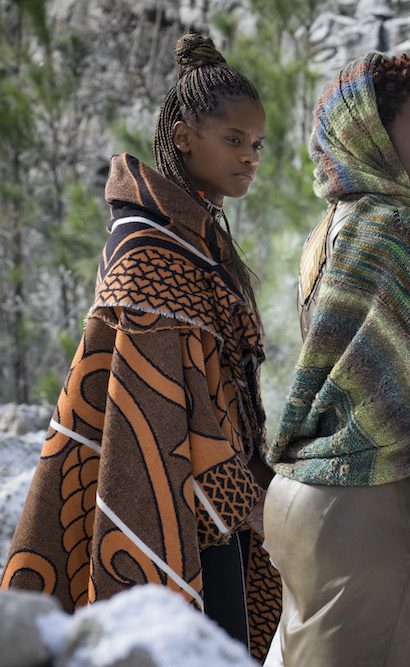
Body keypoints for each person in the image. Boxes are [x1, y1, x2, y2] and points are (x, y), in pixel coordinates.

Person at [1, 33, 280, 661]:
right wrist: (253, 506)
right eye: (234, 141)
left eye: (256, 145)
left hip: (213, 507)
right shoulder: (149, 251)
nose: (250, 158)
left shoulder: (198, 238)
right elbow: (159, 410)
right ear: (183, 137)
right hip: (179, 507)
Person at [263, 53, 410, 666]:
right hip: (364, 505)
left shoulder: (333, 227)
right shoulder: (392, 226)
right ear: (376, 142)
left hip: (306, 498)